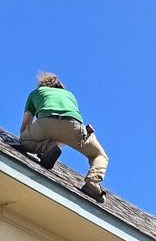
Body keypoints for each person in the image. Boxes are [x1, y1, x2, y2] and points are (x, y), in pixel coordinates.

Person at [19, 72, 109, 203]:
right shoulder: (69, 95)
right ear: (59, 86)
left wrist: (30, 140)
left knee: (24, 140)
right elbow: (64, 131)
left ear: (42, 85)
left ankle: (45, 147)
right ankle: (92, 182)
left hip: (45, 123)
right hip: (74, 126)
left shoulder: (35, 93)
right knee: (100, 155)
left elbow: (25, 125)